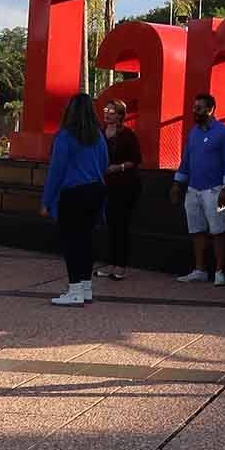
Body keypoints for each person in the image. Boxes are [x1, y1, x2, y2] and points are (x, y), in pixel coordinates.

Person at [40, 94, 109, 306]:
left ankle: (74, 289)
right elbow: (105, 163)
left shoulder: (65, 136)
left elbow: (56, 170)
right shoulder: (98, 136)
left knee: (71, 242)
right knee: (87, 240)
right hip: (95, 191)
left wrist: (46, 200)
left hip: (73, 193)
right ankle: (86, 287)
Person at [170, 93, 225, 285]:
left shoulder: (224, 133)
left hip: (215, 190)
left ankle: (219, 272)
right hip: (193, 189)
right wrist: (177, 184)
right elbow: (186, 160)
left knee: (218, 231)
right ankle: (199, 270)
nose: (194, 111)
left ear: (210, 109)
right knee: (197, 229)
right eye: (194, 107)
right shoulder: (193, 133)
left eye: (198, 108)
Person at [95, 99, 141, 280]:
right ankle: (111, 263)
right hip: (105, 184)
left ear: (121, 115)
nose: (107, 113)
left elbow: (136, 159)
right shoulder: (99, 133)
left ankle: (120, 265)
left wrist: (118, 167)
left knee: (121, 225)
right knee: (110, 225)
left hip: (125, 185)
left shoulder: (128, 135)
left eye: (112, 111)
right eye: (106, 110)